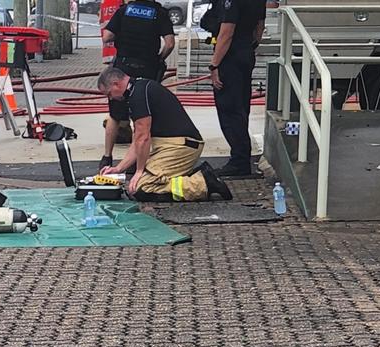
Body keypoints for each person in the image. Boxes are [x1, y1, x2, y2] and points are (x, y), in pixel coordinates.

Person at [97, 66, 232, 202]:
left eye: (109, 94)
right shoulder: (139, 89)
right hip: (178, 144)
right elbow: (138, 141)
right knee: (139, 182)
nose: (111, 98)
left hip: (180, 146)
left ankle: (203, 182)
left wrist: (139, 171)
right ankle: (192, 176)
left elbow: (143, 138)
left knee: (141, 188)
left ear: (116, 84)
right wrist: (119, 168)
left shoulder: (137, 96)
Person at [100, 0, 175, 169]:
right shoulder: (159, 12)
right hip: (147, 68)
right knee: (141, 114)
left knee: (115, 114)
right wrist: (159, 58)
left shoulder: (124, 10)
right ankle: (135, 160)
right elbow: (170, 44)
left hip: (123, 67)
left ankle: (107, 157)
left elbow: (107, 37)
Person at [207, 0, 265, 177]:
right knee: (241, 108)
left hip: (229, 58)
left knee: (229, 110)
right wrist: (248, 47)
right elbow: (259, 28)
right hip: (245, 53)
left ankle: (239, 162)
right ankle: (241, 158)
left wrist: (214, 65)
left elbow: (226, 32)